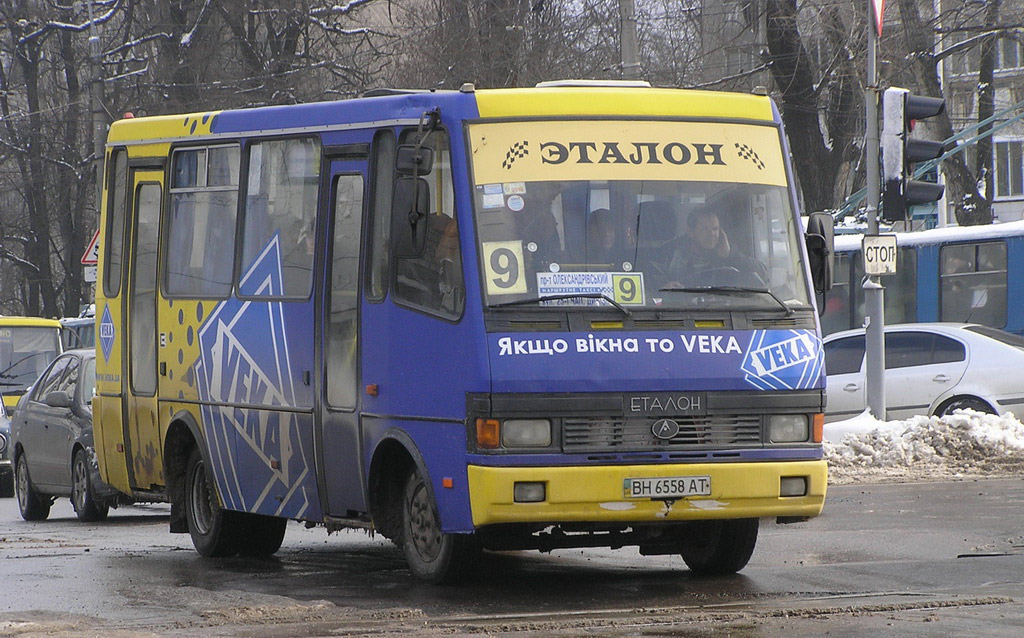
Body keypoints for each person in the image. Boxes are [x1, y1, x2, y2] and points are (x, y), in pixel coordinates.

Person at [666, 206, 765, 287]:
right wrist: (664, 288)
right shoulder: (670, 256)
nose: (712, 234)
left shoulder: (728, 254)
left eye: (715, 229)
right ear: (690, 232)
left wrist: (730, 255)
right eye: (705, 229)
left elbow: (763, 273)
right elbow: (653, 286)